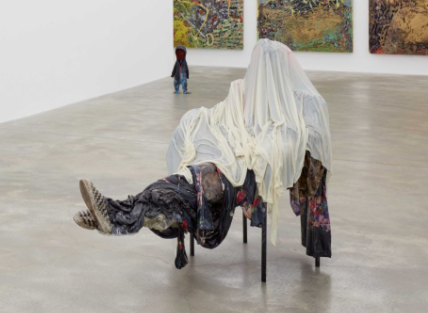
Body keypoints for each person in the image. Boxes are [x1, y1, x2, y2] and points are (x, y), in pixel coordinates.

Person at [73, 40, 332, 268]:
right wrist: (207, 122)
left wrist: (262, 146)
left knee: (193, 185)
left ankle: (113, 214)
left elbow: (304, 143)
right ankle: (114, 213)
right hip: (224, 159)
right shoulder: (246, 91)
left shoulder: (300, 103)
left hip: (242, 169)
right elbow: (223, 113)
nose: (257, 72)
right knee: (187, 181)